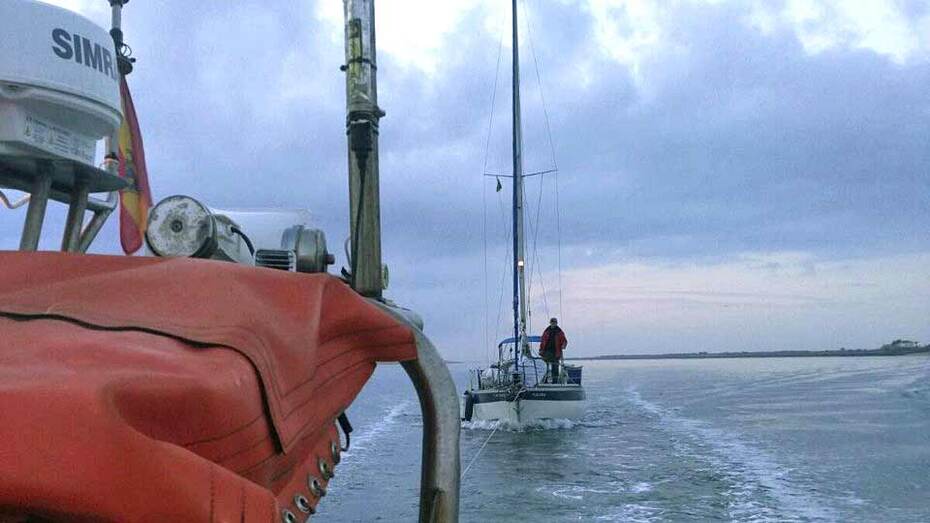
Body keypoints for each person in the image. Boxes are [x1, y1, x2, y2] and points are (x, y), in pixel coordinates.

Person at [539, 317, 567, 383]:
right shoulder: (546, 331)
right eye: (552, 322)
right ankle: (544, 381)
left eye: (554, 322)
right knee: (544, 367)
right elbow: (542, 341)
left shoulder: (559, 332)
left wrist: (563, 345)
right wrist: (540, 350)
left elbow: (564, 341)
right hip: (546, 352)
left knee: (555, 367)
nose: (553, 324)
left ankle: (555, 381)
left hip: (555, 352)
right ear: (550, 323)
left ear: (556, 323)